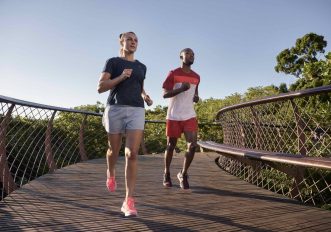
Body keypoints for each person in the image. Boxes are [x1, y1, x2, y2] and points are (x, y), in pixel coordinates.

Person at [97, 31, 153, 217]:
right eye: (129, 39)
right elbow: (101, 87)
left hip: (137, 109)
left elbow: (140, 87)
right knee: (114, 149)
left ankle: (128, 201)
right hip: (115, 108)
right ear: (121, 42)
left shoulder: (142, 67)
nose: (133, 42)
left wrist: (145, 96)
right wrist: (120, 77)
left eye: (136, 39)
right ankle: (110, 172)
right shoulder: (112, 62)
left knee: (132, 154)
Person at [162, 48, 200, 190]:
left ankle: (183, 174)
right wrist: (181, 89)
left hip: (189, 114)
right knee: (171, 145)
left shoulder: (197, 76)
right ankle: (166, 172)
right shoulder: (173, 73)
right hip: (173, 115)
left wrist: (196, 97)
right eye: (188, 54)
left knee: (192, 145)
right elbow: (165, 95)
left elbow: (194, 94)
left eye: (193, 55)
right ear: (181, 56)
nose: (191, 56)